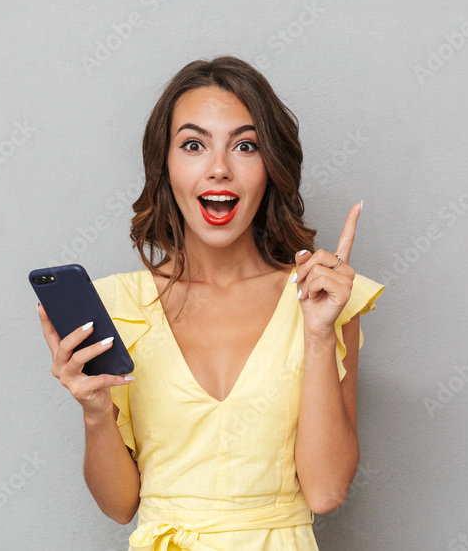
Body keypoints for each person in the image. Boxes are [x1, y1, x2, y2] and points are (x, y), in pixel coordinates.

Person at [39, 55, 385, 550]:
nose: (219, 168)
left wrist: (317, 333)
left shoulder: (322, 299)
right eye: (194, 145)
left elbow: (326, 491)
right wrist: (96, 412)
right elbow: (119, 506)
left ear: (271, 168)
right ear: (165, 165)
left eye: (245, 146)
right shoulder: (119, 305)